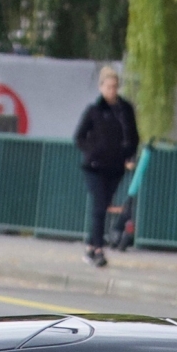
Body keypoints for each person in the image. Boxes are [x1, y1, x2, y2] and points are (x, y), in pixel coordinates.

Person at [72, 65, 140, 267]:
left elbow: (133, 136)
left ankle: (91, 246)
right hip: (94, 166)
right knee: (99, 206)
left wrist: (129, 156)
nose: (112, 91)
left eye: (115, 87)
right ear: (101, 87)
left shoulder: (125, 110)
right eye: (109, 87)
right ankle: (99, 250)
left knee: (104, 205)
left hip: (116, 166)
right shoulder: (94, 111)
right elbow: (79, 137)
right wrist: (92, 151)